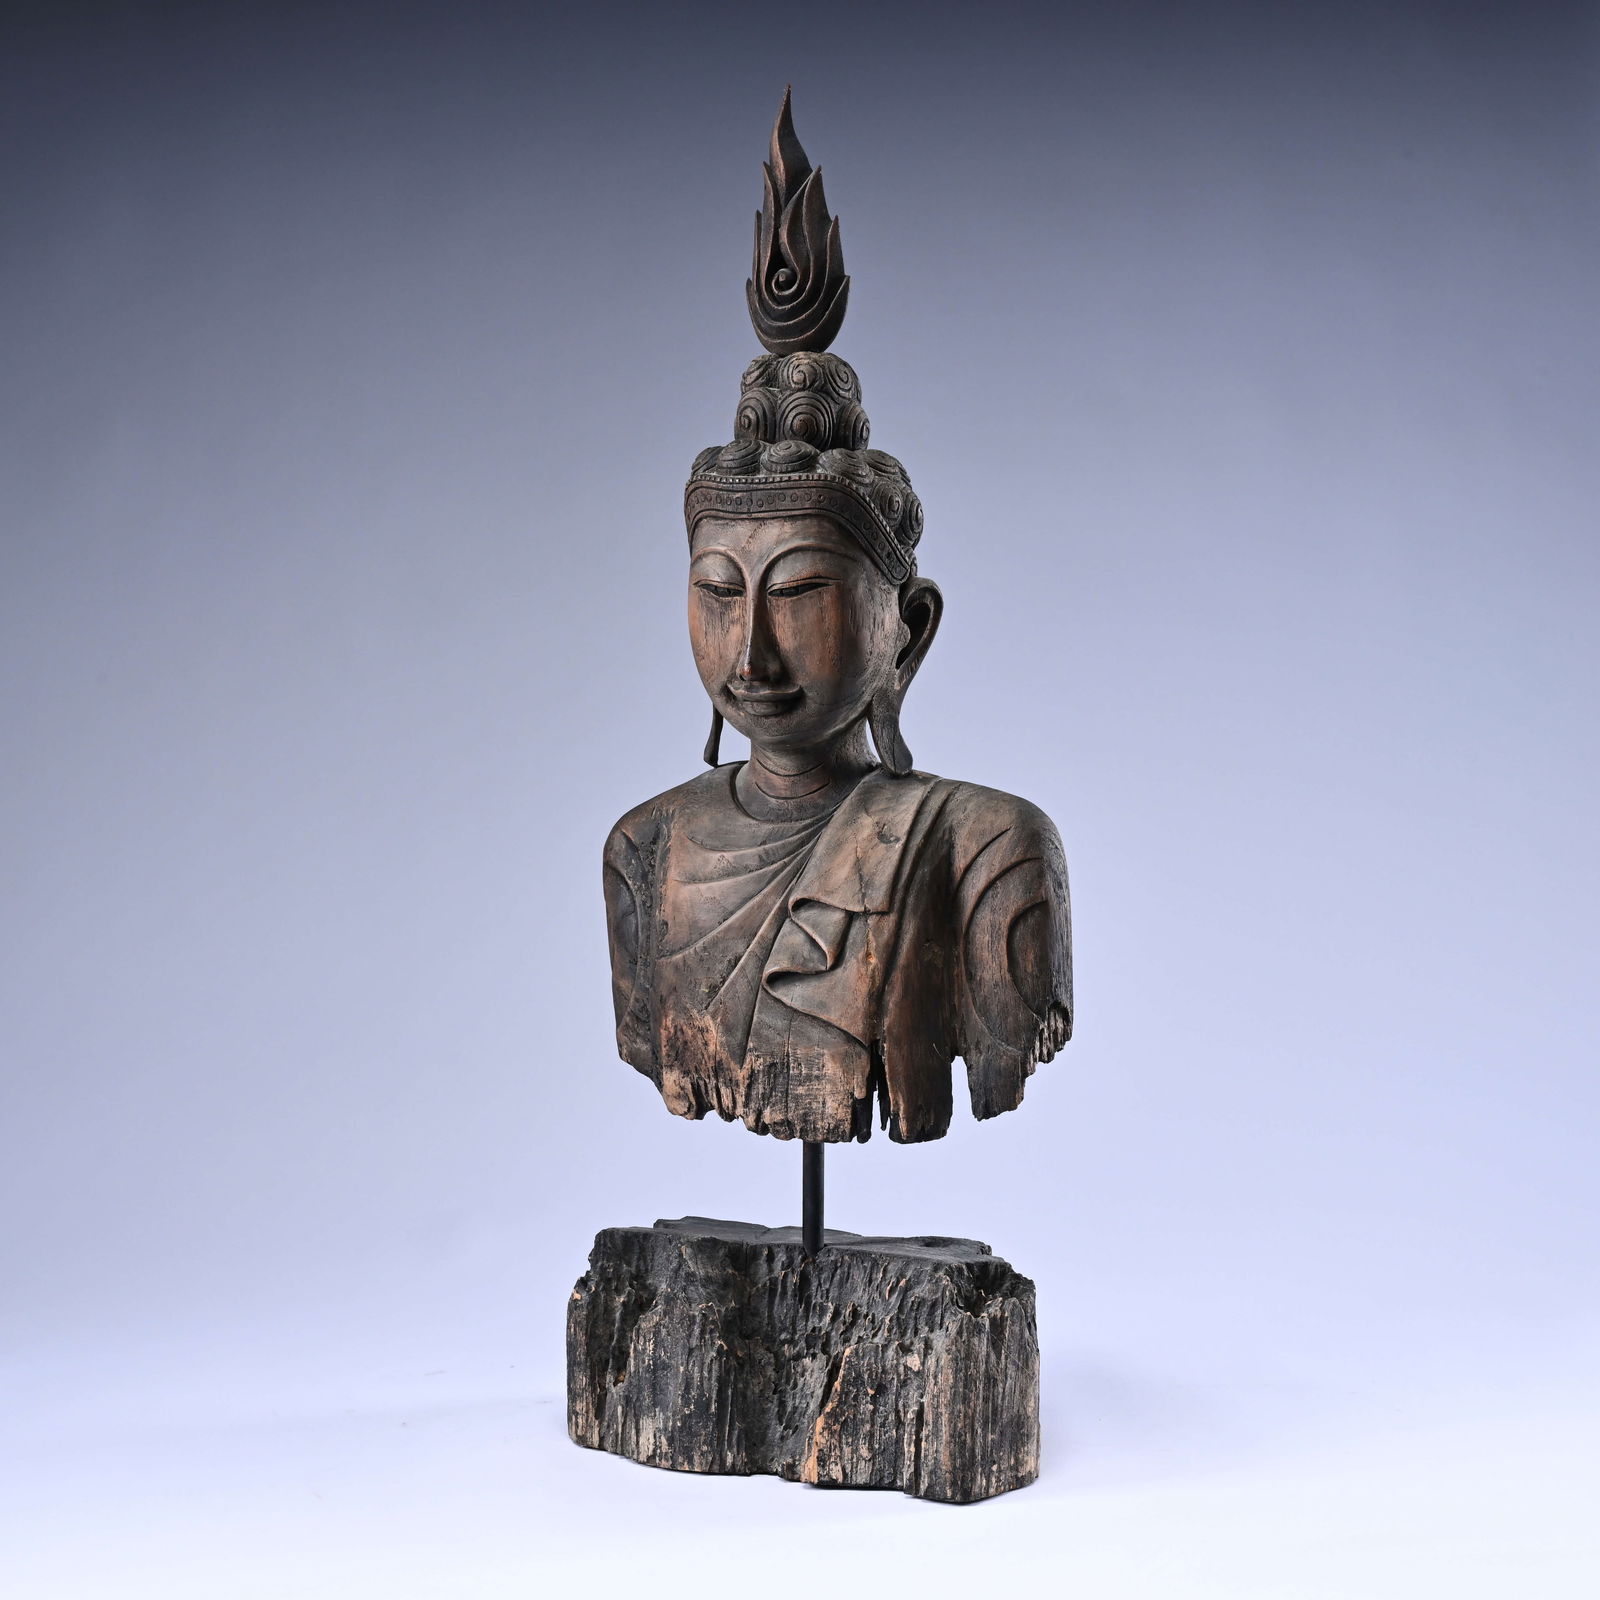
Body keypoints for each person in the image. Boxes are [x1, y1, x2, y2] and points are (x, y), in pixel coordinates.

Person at [602, 100, 1071, 1146]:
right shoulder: (643, 850)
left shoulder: (984, 849)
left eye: (798, 595)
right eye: (719, 593)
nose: (751, 652)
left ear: (908, 627)